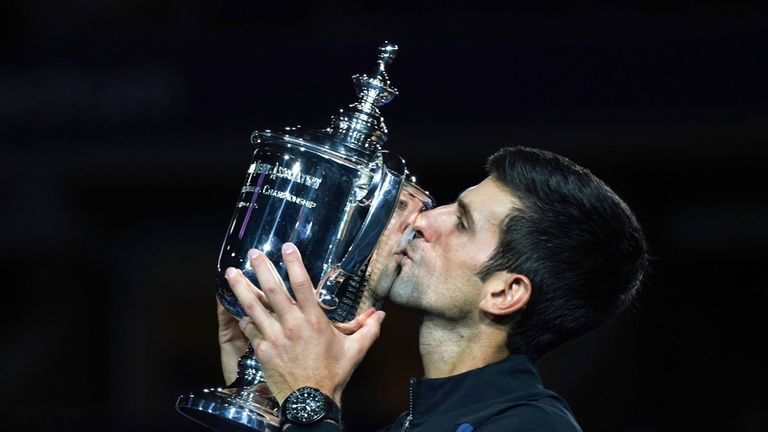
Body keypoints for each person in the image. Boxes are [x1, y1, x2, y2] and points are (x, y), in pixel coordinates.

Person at [221, 146, 648, 431]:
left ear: (503, 293)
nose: (422, 221)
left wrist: (309, 400)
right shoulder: (414, 423)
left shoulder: (532, 425)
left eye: (461, 223)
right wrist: (265, 396)